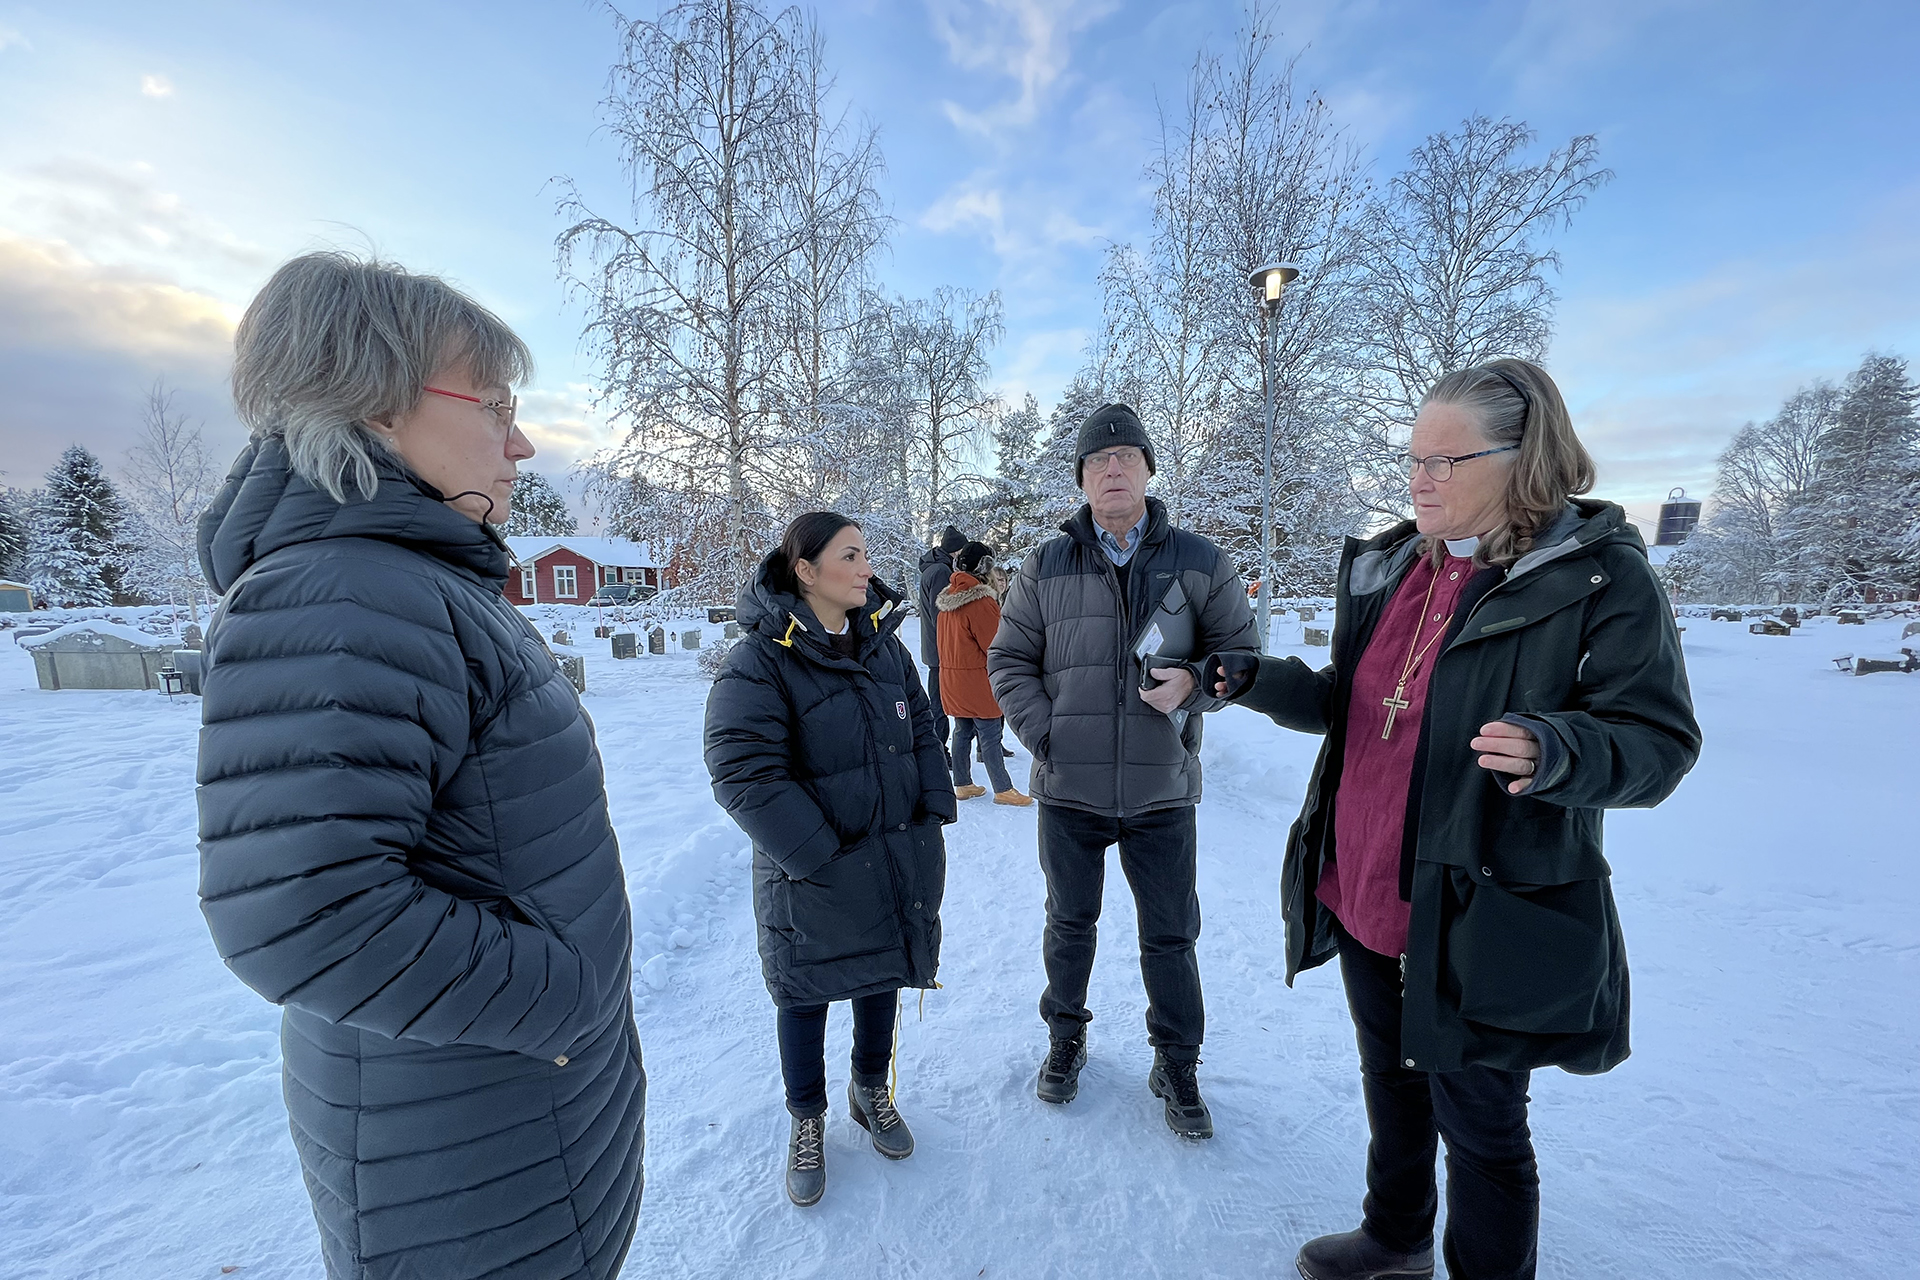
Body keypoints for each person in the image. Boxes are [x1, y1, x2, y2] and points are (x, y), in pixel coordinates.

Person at [195, 253, 644, 1280]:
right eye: (492, 403)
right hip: (457, 1157)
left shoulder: (410, 581)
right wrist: (567, 995)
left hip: (496, 1124)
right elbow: (303, 916)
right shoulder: (343, 591)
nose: (521, 440)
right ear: (377, 404)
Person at [1203, 359, 1701, 1280]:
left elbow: (1659, 741)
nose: (1419, 480)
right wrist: (1249, 680)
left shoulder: (1595, 577)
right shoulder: (1395, 566)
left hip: (1477, 898)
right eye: (1413, 459)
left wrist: (1560, 747)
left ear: (1521, 458)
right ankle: (1396, 1237)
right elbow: (1356, 703)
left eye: (1445, 460)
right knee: (1391, 1084)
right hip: (1365, 883)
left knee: (1482, 1129)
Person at [987, 402, 1259, 1139]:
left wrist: (1199, 683)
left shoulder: (1201, 560)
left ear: (1146, 469)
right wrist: (1046, 734)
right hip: (1069, 790)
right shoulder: (1046, 564)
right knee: (1069, 926)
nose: (1113, 469)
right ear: (1080, 479)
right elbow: (1006, 659)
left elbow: (1245, 658)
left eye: (1126, 457)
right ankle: (1066, 1040)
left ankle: (1177, 1061)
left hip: (1159, 792)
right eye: (1098, 461)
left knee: (1170, 935)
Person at [704, 512, 953, 1207]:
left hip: (894, 851)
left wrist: (930, 806)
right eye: (851, 555)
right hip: (811, 868)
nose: (867, 568)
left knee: (882, 973)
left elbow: (925, 723)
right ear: (806, 571)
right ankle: (806, 1119)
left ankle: (870, 1090)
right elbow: (740, 770)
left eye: (867, 553)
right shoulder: (760, 658)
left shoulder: (882, 645)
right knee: (806, 989)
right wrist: (816, 853)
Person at [936, 540, 1032, 806]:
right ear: (985, 569)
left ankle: (963, 783)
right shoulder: (981, 601)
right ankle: (1003, 789)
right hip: (978, 679)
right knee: (990, 735)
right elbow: (996, 644)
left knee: (962, 730)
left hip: (953, 678)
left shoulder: (948, 601)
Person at [916, 525, 968, 751]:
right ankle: (938, 750)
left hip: (935, 648)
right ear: (956, 551)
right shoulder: (940, 572)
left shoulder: (935, 568)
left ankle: (938, 749)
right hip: (940, 650)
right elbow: (942, 614)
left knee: (940, 702)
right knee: (939, 705)